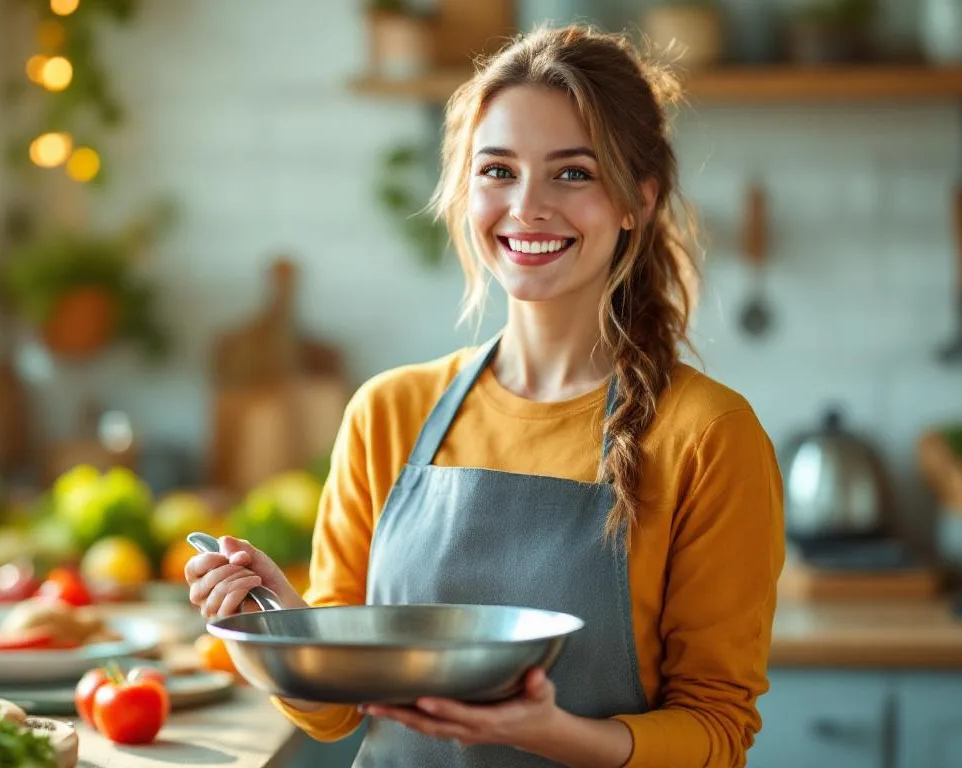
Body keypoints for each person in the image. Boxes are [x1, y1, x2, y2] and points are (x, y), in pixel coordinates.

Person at [185, 23, 784, 768]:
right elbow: (336, 717)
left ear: (638, 199)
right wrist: (278, 631)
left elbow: (717, 729)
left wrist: (549, 734)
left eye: (573, 174)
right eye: (497, 171)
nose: (528, 206)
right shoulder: (388, 411)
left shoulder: (708, 435)